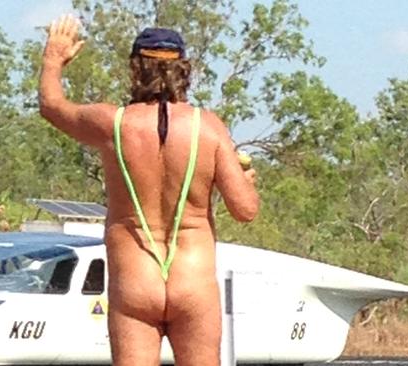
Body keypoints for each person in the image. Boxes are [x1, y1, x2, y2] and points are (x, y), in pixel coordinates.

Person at [39, 14, 259, 366]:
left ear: (134, 70)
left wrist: (53, 58)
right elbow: (245, 210)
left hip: (135, 281)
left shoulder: (113, 124)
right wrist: (246, 182)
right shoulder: (209, 128)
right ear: (185, 71)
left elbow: (52, 107)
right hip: (193, 283)